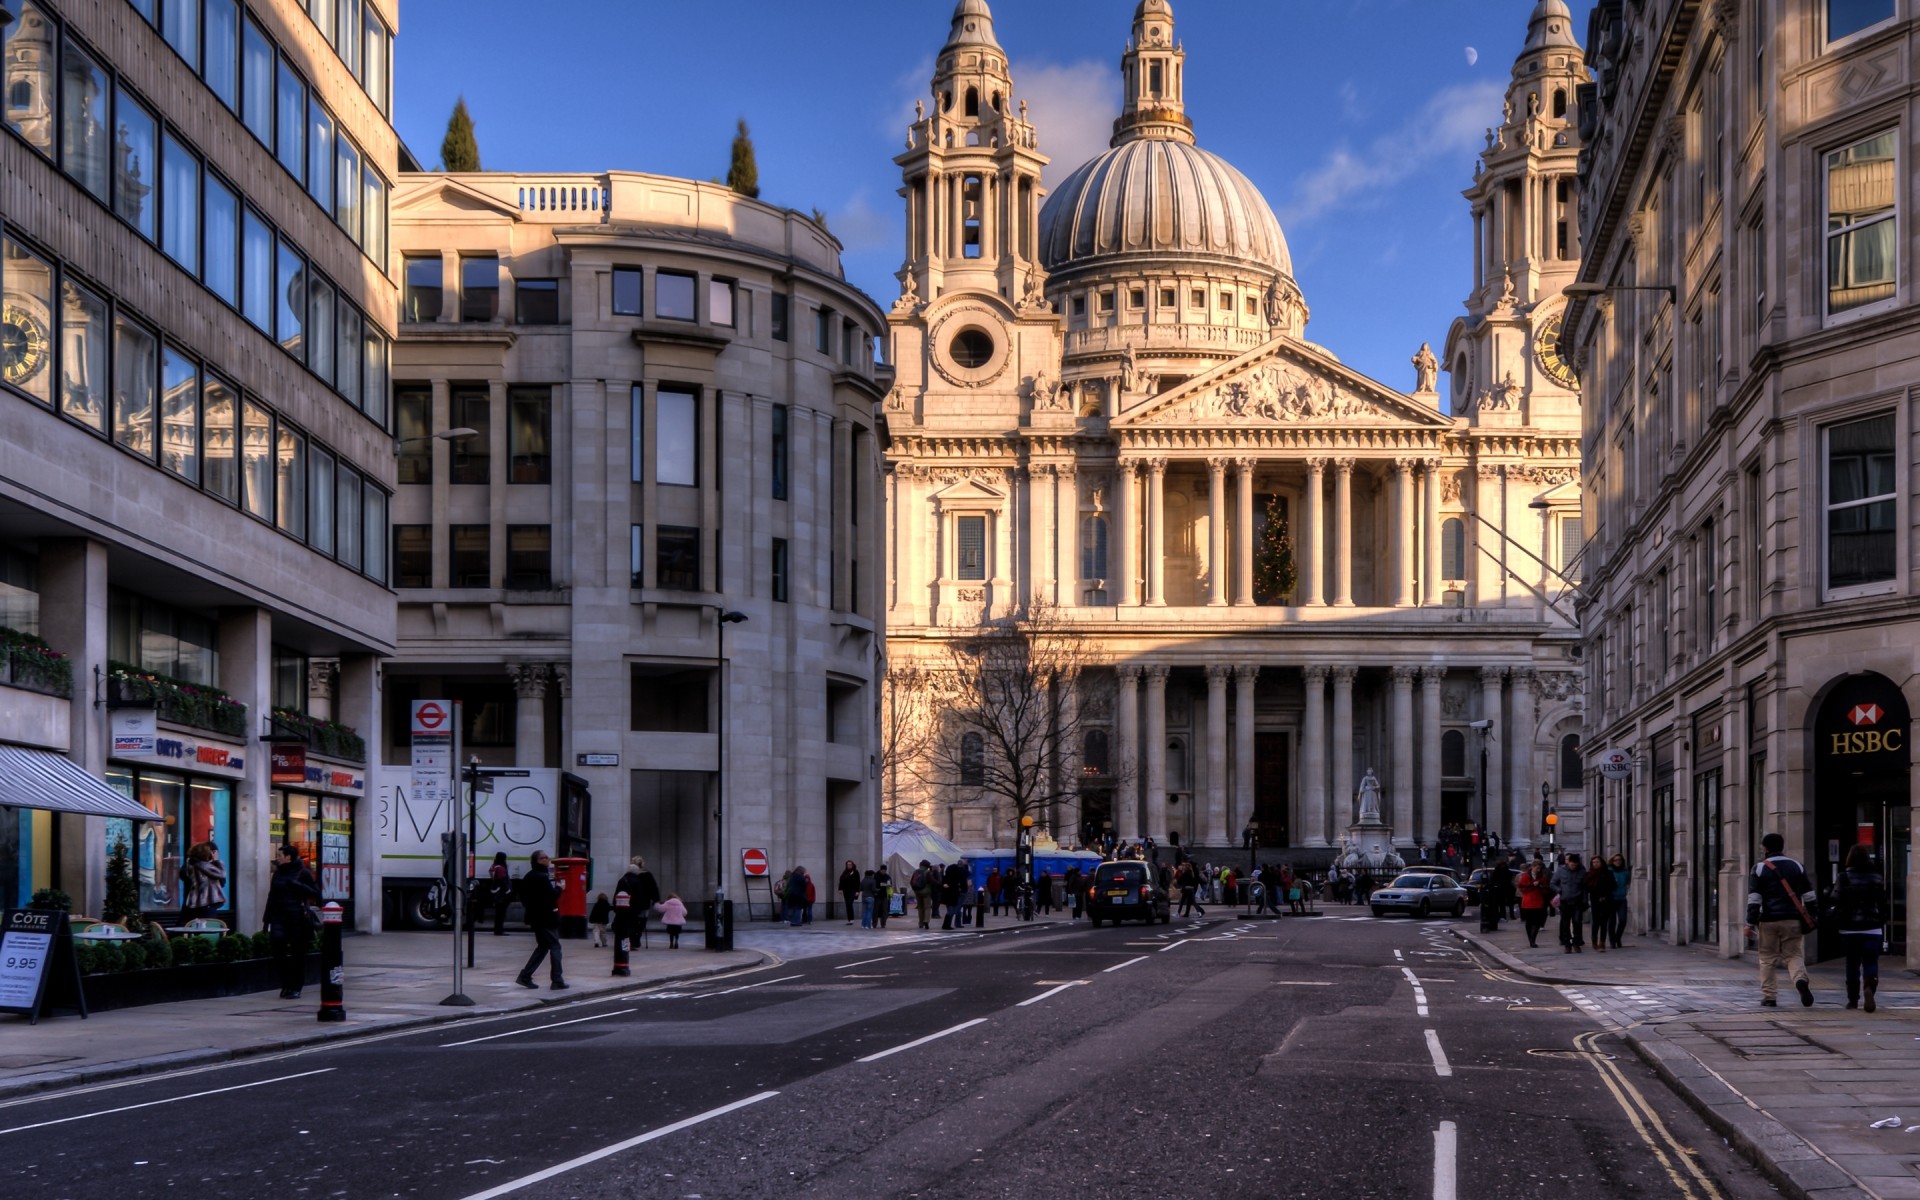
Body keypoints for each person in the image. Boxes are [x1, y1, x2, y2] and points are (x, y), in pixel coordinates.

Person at [1746, 832, 1818, 1008]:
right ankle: (1800, 979)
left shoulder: (1760, 868)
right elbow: (1809, 895)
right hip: (1792, 919)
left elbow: (1754, 898)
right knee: (1793, 954)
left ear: (1765, 848)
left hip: (1768, 920)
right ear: (1782, 847)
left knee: (1767, 958)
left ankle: (1769, 996)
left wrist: (1749, 922)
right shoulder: (1797, 866)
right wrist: (1813, 915)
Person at [1832, 845, 1889, 1012]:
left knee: (1852, 964)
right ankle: (1869, 986)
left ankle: (1852, 1000)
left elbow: (1835, 899)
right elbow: (1883, 903)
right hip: (1872, 928)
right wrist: (1881, 920)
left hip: (1849, 929)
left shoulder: (1843, 877)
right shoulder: (1877, 877)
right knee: (1871, 962)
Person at [263, 844, 320, 999]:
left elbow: (316, 893)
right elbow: (272, 896)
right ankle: (286, 982)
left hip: (297, 919)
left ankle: (296, 986)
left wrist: (298, 886)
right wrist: (266, 919)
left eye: (280, 856)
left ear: (288, 857)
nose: (278, 858)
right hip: (278, 917)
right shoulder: (278, 874)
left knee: (297, 955)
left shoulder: (303, 873)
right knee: (278, 952)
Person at [515, 851, 566, 990]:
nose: (547, 859)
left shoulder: (528, 876)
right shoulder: (542, 877)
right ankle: (557, 980)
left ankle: (525, 976)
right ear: (538, 861)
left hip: (535, 917)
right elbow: (551, 896)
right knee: (555, 946)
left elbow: (524, 897)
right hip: (547, 917)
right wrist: (559, 888)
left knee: (543, 947)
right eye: (544, 858)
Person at [614, 857, 662, 950]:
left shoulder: (626, 877)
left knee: (631, 922)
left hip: (628, 903)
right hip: (642, 903)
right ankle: (636, 939)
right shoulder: (647, 875)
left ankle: (630, 941)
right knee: (641, 922)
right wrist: (656, 900)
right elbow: (653, 888)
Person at [181, 840, 227, 922]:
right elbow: (222, 875)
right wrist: (215, 860)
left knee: (193, 928)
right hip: (206, 903)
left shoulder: (191, 864)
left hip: (193, 902)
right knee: (206, 928)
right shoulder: (203, 866)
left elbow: (183, 875)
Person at [1550, 852, 1587, 953]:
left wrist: (1585, 900)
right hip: (1565, 900)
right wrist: (1559, 890)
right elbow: (1553, 883)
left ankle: (1576, 942)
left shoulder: (1582, 872)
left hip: (1577, 900)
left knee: (1577, 922)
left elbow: (1584, 887)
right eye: (1571, 864)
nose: (1573, 867)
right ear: (1568, 863)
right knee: (1565, 923)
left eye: (1575, 865)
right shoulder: (1561, 871)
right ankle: (1567, 944)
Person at [1515, 859, 1552, 947]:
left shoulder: (1542, 877)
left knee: (1537, 922)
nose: (1538, 870)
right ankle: (1530, 939)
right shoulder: (1525, 876)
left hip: (1538, 901)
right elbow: (1522, 888)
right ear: (1532, 867)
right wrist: (1532, 885)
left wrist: (1540, 886)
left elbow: (1546, 889)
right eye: (1537, 868)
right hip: (1528, 901)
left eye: (1540, 868)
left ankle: (1533, 939)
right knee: (1529, 922)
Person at [1582, 854, 1613, 953]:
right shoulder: (1589, 874)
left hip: (1606, 900)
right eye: (1594, 862)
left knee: (1604, 922)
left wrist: (1605, 894)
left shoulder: (1608, 873)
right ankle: (1594, 939)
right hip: (1595, 900)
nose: (1595, 864)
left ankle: (1602, 942)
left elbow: (1612, 886)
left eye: (1597, 862)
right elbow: (1585, 887)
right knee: (1596, 922)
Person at [1605, 854, 1631, 948]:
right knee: (1612, 921)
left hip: (1622, 899)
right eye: (1615, 860)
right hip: (1611, 899)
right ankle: (1612, 941)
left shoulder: (1625, 871)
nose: (1618, 861)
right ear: (1612, 861)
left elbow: (1628, 882)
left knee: (1623, 919)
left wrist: (1626, 890)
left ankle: (1617, 937)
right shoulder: (1608, 871)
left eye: (1619, 860)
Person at [488, 851, 512, 935]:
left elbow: (493, 877)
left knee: (498, 913)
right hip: (501, 894)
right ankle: (499, 930)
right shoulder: (501, 868)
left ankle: (497, 930)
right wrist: (507, 890)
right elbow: (502, 880)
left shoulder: (493, 866)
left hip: (495, 891)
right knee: (501, 913)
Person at [940, 860, 967, 929]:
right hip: (953, 897)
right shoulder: (955, 880)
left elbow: (943, 886)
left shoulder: (946, 878)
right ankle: (946, 925)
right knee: (951, 911)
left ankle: (946, 925)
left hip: (947, 897)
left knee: (950, 911)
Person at [912, 860, 934, 928]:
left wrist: (915, 890)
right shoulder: (927, 872)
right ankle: (926, 921)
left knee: (920, 908)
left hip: (918, 891)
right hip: (926, 892)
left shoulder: (916, 871)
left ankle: (920, 923)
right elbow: (932, 881)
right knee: (927, 907)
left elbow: (911, 882)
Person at [838, 860, 861, 925]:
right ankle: (849, 919)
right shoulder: (845, 872)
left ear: (852, 865)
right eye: (848, 864)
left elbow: (858, 882)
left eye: (850, 864)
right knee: (847, 904)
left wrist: (857, 891)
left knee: (849, 903)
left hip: (853, 890)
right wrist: (840, 889)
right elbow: (841, 880)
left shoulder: (855, 872)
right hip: (846, 890)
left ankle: (852, 919)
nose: (849, 865)